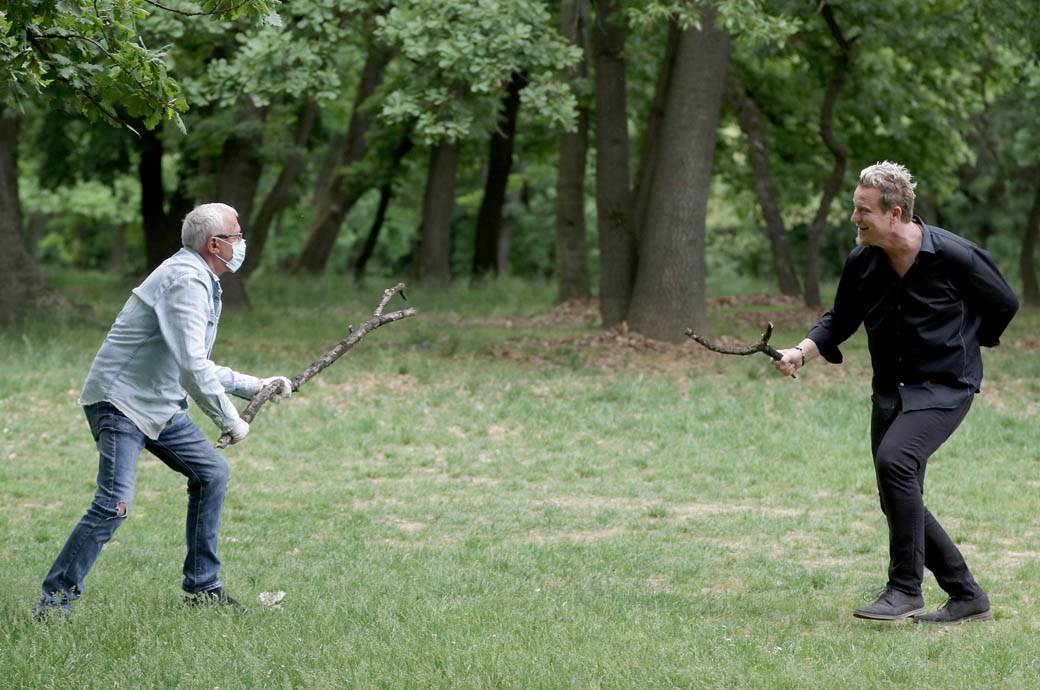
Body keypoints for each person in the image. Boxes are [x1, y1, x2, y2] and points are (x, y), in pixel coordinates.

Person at [772, 161, 1018, 624]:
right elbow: (840, 319)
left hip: (946, 385)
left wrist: (970, 339)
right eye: (854, 208)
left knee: (895, 464)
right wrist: (801, 353)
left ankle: (904, 590)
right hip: (891, 389)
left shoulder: (956, 256)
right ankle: (967, 596)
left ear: (896, 213)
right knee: (897, 493)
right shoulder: (863, 262)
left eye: (862, 210)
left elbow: (1004, 303)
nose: (854, 219)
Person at [33, 203, 293, 619]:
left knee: (211, 473)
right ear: (215, 244)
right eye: (237, 235)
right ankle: (54, 604)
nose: (242, 242)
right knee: (113, 504)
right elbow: (192, 365)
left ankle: (202, 589)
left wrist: (255, 386)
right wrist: (231, 419)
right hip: (120, 403)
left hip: (158, 403)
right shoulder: (185, 280)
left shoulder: (199, 277)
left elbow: (191, 361)